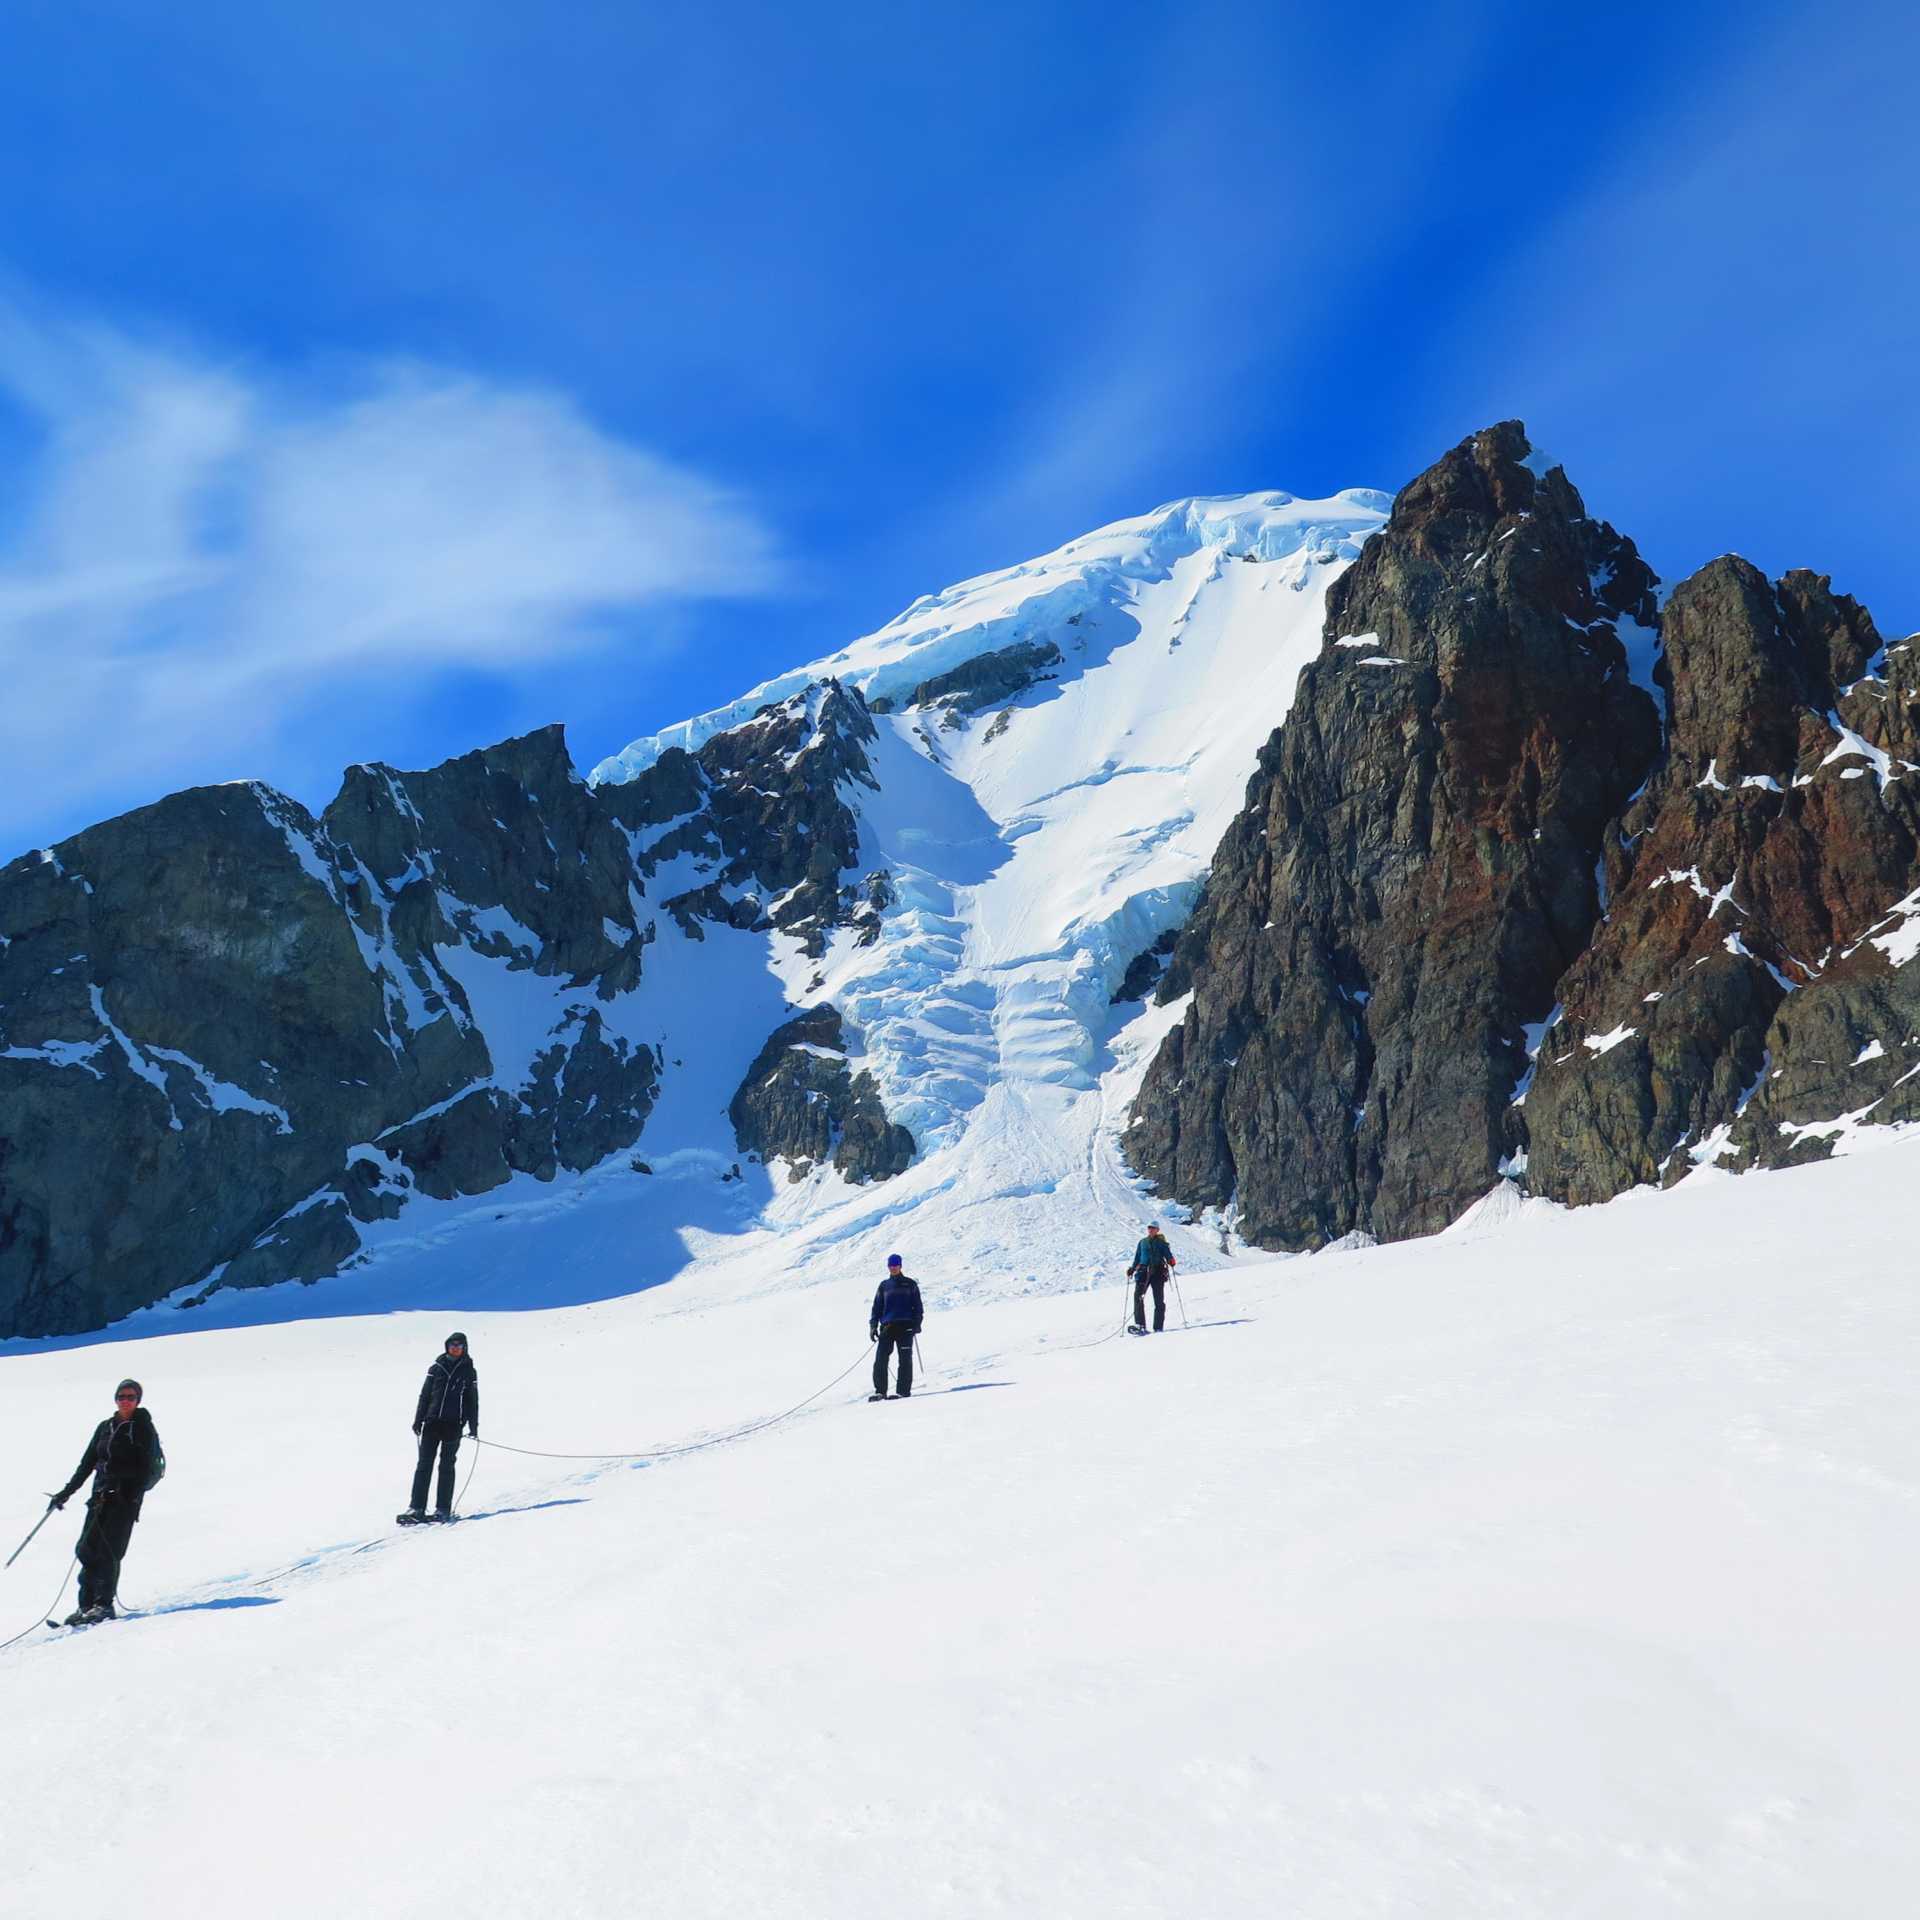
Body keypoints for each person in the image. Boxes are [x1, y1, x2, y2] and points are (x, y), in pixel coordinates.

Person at [47, 1378, 164, 1625]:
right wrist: (65, 1493)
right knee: (86, 1549)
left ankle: (103, 1605)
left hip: (124, 1500)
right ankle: (85, 1606)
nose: (125, 1401)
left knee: (109, 1552)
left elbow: (144, 1469)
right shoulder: (105, 1427)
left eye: (130, 1397)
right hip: (99, 1497)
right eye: (121, 1396)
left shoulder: (143, 1428)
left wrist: (127, 1492)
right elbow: (87, 1463)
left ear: (138, 1400)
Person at [402, 1332, 479, 1524]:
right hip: (431, 1423)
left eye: (459, 1345)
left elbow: (472, 1401)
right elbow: (425, 1396)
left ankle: (443, 1508)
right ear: (447, 1346)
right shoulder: (436, 1368)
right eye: (452, 1345)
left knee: (446, 1466)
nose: (455, 1348)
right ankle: (416, 1508)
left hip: (453, 1426)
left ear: (464, 1348)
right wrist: (418, 1420)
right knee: (423, 1466)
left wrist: (473, 1425)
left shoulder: (469, 1371)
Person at [869, 1255, 923, 1400]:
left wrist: (917, 1324)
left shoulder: (910, 1284)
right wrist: (873, 1326)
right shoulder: (884, 1286)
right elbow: (876, 1308)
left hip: (906, 1327)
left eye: (895, 1265)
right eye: (890, 1265)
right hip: (887, 1327)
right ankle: (880, 1391)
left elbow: (918, 1306)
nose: (893, 1267)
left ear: (900, 1266)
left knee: (905, 1359)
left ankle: (903, 1391)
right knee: (880, 1358)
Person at [1127, 1224, 1176, 1334]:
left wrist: (1171, 1260)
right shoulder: (1142, 1242)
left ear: (1157, 1230)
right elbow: (1137, 1257)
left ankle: (1158, 1327)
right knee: (1138, 1297)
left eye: (1153, 1228)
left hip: (1157, 1272)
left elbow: (1168, 1255)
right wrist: (1132, 1268)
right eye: (1149, 1227)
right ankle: (1140, 1325)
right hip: (1143, 1272)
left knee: (1158, 1300)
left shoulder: (1161, 1243)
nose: (1150, 1229)